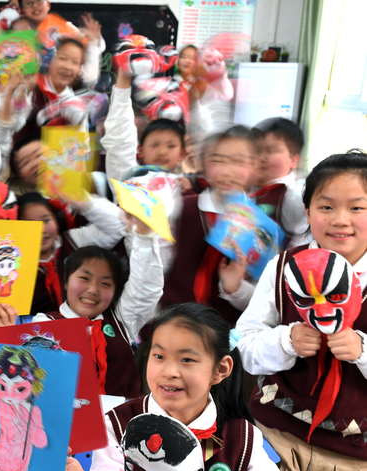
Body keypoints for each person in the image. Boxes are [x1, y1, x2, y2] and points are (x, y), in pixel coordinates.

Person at [53, 303, 316, 471]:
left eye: (186, 359)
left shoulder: (242, 438)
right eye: (159, 356)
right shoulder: (118, 425)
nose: (169, 371)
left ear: (221, 369)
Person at [236, 151, 367, 471]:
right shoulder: (282, 269)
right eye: (326, 206)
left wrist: (362, 350)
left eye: (357, 208)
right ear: (307, 211)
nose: (340, 219)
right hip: (278, 447)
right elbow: (245, 344)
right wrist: (286, 340)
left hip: (353, 467)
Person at [30, 226, 164, 398]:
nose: (93, 290)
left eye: (105, 283)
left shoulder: (122, 321)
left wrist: (144, 236)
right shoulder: (44, 324)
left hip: (119, 422)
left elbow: (146, 288)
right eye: (84, 279)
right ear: (66, 281)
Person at [160, 126, 259, 324]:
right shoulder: (180, 206)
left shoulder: (259, 225)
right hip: (172, 321)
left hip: (223, 334)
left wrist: (235, 287)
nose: (227, 170)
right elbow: (157, 267)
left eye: (238, 161)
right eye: (218, 160)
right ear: (203, 164)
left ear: (254, 166)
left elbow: (261, 301)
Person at [16, 193, 125, 315]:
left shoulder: (74, 241)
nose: (41, 230)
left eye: (46, 220)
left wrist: (82, 201)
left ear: (56, 219)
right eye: (30, 224)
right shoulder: (13, 265)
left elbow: (120, 226)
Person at [102, 69, 188, 181]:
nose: (162, 152)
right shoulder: (129, 178)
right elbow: (120, 140)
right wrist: (124, 75)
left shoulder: (184, 186)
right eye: (154, 145)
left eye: (171, 146)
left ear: (182, 154)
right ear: (141, 150)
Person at [251, 117, 308, 246]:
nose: (262, 157)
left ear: (293, 160)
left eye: (271, 151)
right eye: (256, 150)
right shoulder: (247, 189)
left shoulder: (293, 196)